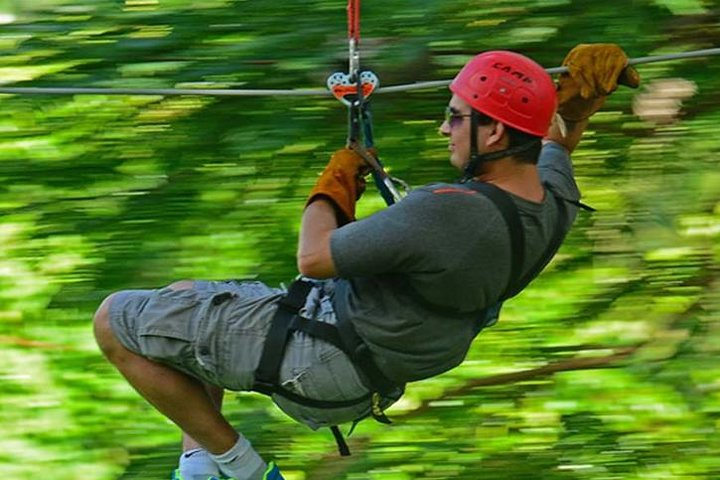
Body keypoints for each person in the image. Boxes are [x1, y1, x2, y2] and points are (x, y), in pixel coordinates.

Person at [93, 43, 639, 480]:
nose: (444, 129)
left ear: (493, 132)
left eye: (455, 118)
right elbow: (557, 149)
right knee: (185, 297)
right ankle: (199, 470)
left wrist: (338, 178)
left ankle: (244, 468)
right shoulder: (551, 206)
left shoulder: (447, 214)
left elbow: (313, 257)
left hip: (317, 356)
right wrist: (572, 105)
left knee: (115, 322)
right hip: (368, 370)